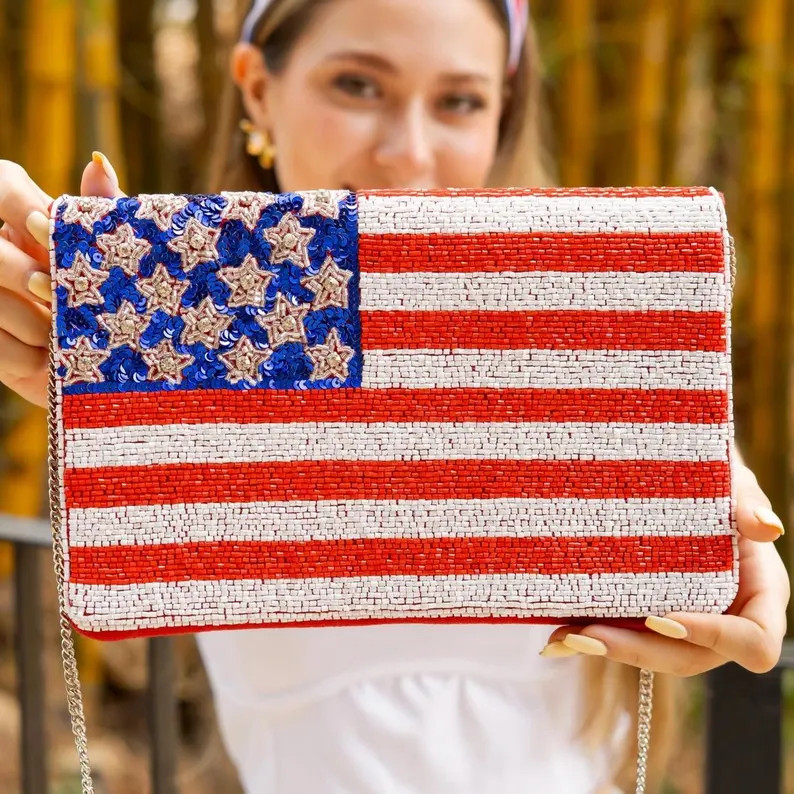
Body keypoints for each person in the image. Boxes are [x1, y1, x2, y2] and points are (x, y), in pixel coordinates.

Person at [0, 1, 789, 792]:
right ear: (257, 90)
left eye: (460, 100)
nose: (408, 153)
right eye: (357, 84)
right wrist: (90, 329)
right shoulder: (192, 313)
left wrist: (714, 540)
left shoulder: (604, 340)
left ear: (504, 109)